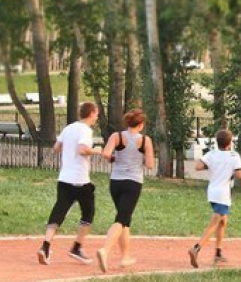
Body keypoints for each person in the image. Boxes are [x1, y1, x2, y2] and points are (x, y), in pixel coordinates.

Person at [37, 102, 101, 265]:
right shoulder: (86, 130)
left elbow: (57, 147)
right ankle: (77, 247)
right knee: (88, 213)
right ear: (91, 113)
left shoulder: (69, 128)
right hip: (80, 180)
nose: (97, 117)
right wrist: (97, 151)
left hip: (64, 178)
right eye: (96, 114)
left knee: (59, 211)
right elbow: (82, 149)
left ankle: (45, 246)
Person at [95, 109, 155, 272]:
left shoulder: (117, 136)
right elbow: (150, 164)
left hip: (116, 182)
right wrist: (138, 159)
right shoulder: (145, 141)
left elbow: (105, 153)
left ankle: (125, 256)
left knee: (125, 219)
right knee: (121, 219)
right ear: (141, 125)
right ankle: (105, 250)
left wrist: (116, 158)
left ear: (127, 123)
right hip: (133, 182)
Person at [188, 129, 241, 268]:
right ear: (229, 143)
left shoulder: (212, 154)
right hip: (223, 194)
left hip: (212, 192)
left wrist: (214, 166)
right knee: (214, 224)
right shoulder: (233, 156)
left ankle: (218, 253)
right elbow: (240, 175)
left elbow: (198, 166)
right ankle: (196, 248)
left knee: (223, 221)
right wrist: (229, 170)